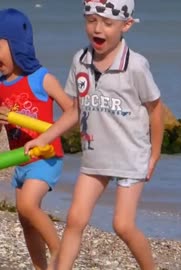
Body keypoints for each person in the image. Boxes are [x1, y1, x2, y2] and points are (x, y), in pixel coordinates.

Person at [25, 0, 165, 269]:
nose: (97, 29)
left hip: (131, 155)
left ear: (126, 25)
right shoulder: (80, 60)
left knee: (122, 225)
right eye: (91, 21)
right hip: (95, 155)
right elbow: (75, 109)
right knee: (75, 219)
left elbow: (156, 111)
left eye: (107, 23)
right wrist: (43, 138)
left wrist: (155, 154)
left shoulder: (135, 66)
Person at [0, 8, 73, 270]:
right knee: (25, 218)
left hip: (46, 157)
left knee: (28, 205)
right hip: (21, 160)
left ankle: (58, 251)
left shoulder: (42, 78)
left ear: (15, 44)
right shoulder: (0, 84)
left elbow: (73, 110)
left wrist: (51, 134)